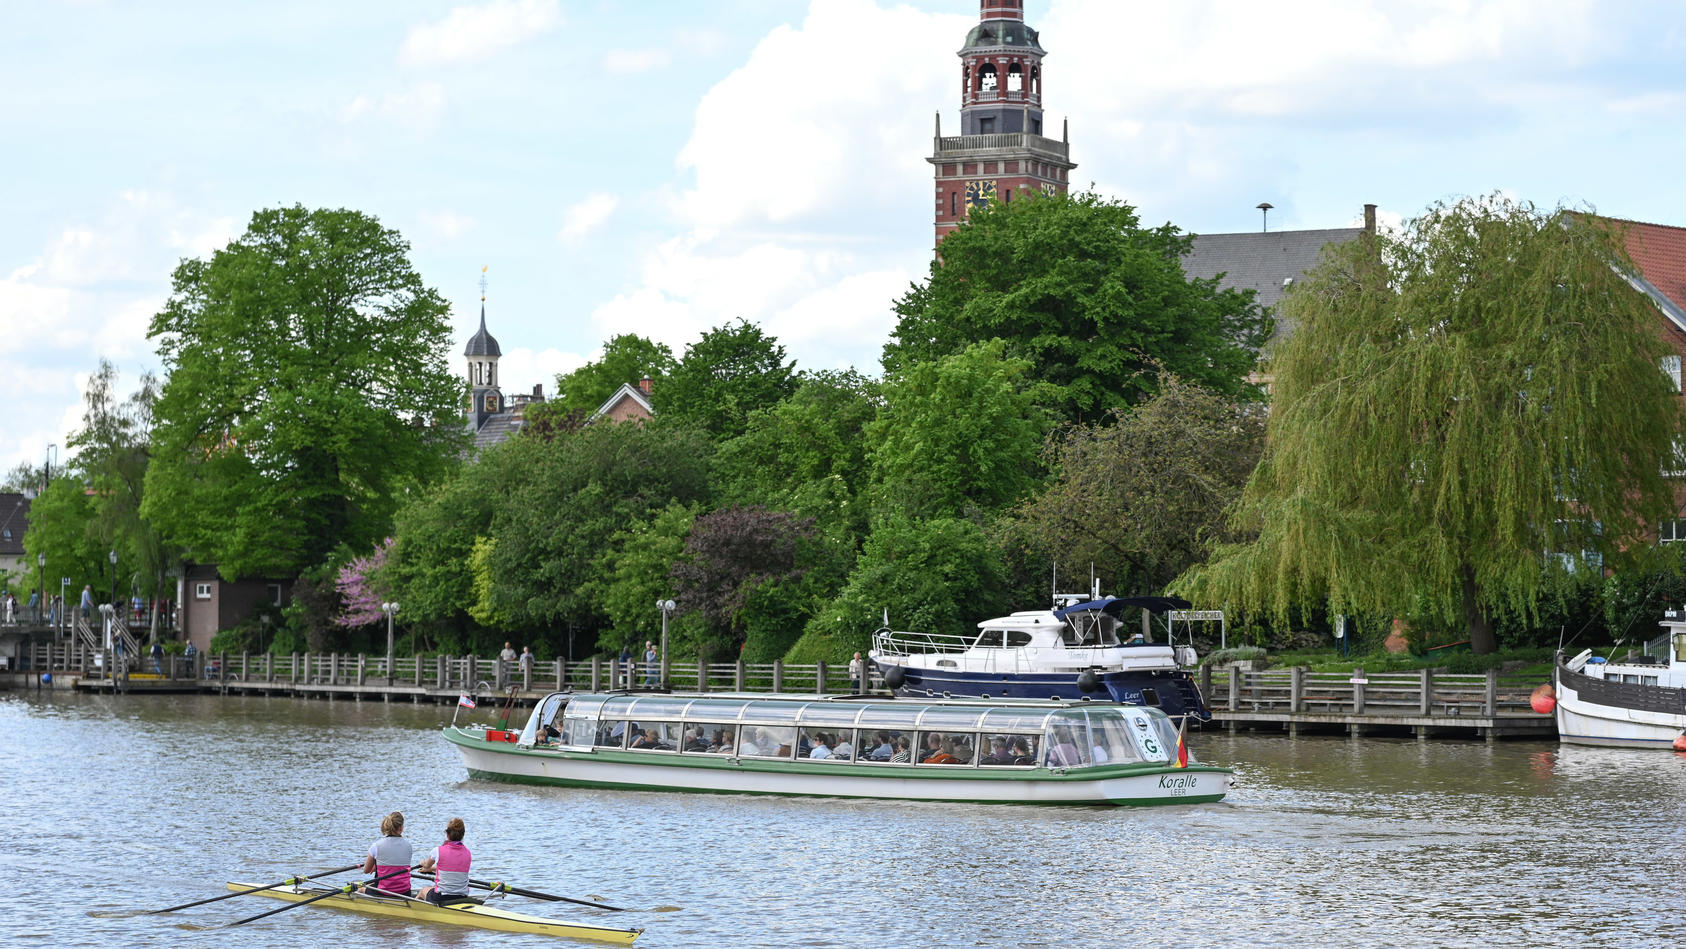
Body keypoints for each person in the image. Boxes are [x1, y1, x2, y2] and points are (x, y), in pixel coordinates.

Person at [417, 817, 474, 905]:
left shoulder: (437, 850)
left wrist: (422, 864)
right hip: (462, 896)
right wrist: (431, 869)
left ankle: (414, 912)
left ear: (447, 834)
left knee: (423, 891)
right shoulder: (468, 853)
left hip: (441, 897)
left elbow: (426, 865)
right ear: (463, 835)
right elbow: (452, 869)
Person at [363, 811, 413, 896]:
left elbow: (366, 870)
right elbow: (396, 862)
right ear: (401, 828)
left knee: (360, 887)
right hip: (405, 891)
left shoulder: (376, 846)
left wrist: (377, 865)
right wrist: (378, 865)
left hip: (383, 892)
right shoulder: (409, 846)